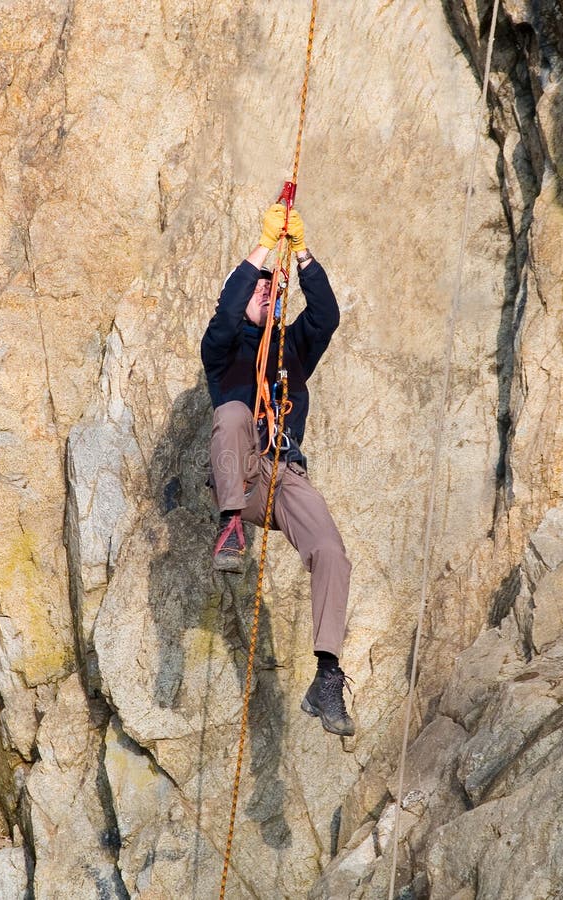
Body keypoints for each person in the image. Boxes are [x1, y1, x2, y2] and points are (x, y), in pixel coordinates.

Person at [200, 203, 355, 737]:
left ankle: (327, 674)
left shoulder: (292, 349)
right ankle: (229, 529)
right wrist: (263, 250)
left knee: (331, 551)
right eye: (258, 293)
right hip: (239, 475)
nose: (267, 295)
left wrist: (303, 253)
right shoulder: (222, 352)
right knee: (232, 413)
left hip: (283, 471)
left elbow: (327, 315)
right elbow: (225, 313)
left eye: (272, 291)